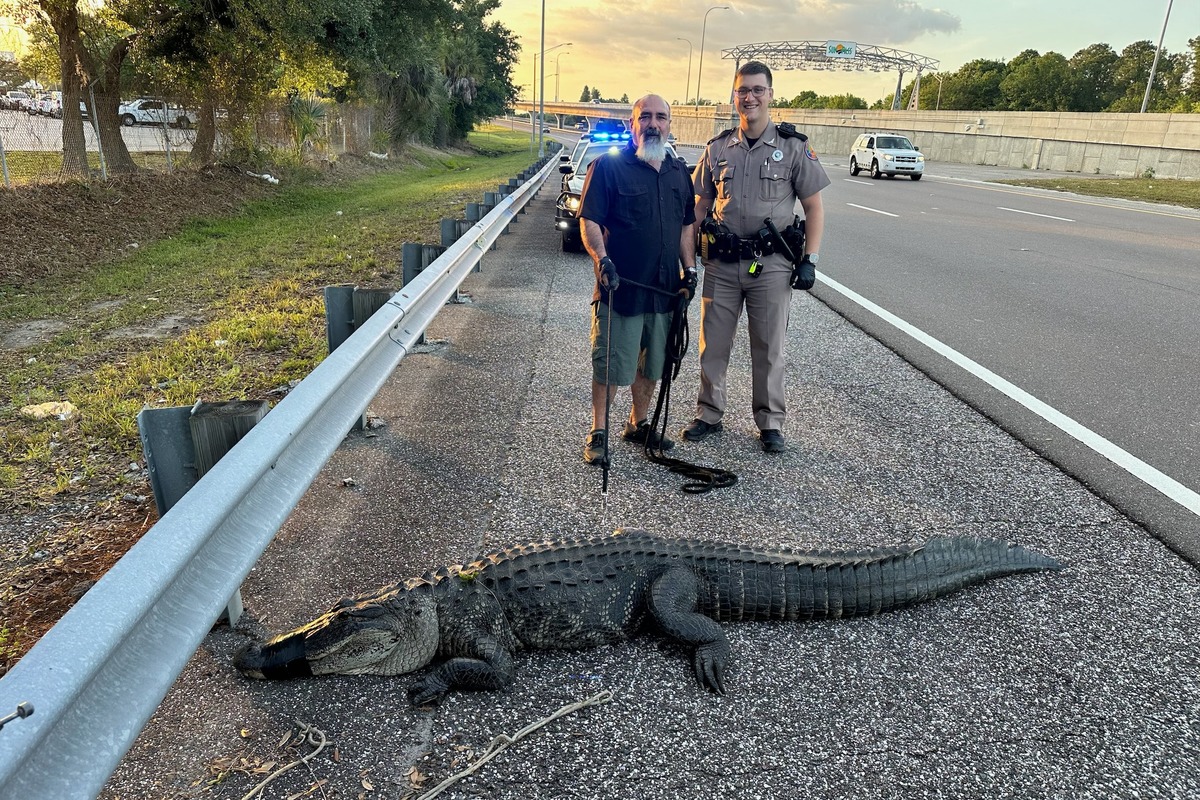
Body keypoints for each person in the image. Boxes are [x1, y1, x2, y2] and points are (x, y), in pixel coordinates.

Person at [683, 61, 830, 454]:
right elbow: (698, 208)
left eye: (757, 90)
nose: (749, 97)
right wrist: (686, 259)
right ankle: (709, 413)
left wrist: (809, 259)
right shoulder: (717, 148)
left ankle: (770, 423)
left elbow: (814, 207)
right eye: (742, 91)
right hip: (722, 264)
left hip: (772, 266)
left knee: (769, 346)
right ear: (734, 96)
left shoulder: (793, 146)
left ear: (770, 95)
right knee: (712, 344)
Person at [578, 94, 698, 466]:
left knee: (652, 364)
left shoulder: (679, 173)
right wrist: (602, 260)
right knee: (613, 364)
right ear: (633, 123)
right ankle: (599, 430)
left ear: (670, 124)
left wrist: (689, 270)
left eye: (661, 117)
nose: (653, 123)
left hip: (663, 291)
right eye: (644, 116)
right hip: (622, 289)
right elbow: (589, 220)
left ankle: (638, 422)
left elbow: (685, 226)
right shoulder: (608, 168)